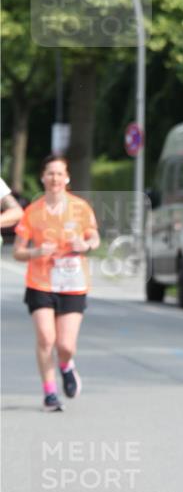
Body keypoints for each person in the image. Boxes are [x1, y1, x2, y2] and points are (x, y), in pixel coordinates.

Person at [13, 155, 100, 412]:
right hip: (40, 282)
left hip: (72, 283)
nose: (55, 179)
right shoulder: (33, 211)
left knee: (65, 345)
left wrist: (85, 245)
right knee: (45, 339)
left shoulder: (81, 208)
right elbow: (18, 252)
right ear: (43, 177)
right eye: (50, 173)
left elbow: (94, 236)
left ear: (67, 178)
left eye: (60, 174)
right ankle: (50, 394)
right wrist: (36, 252)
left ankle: (66, 366)